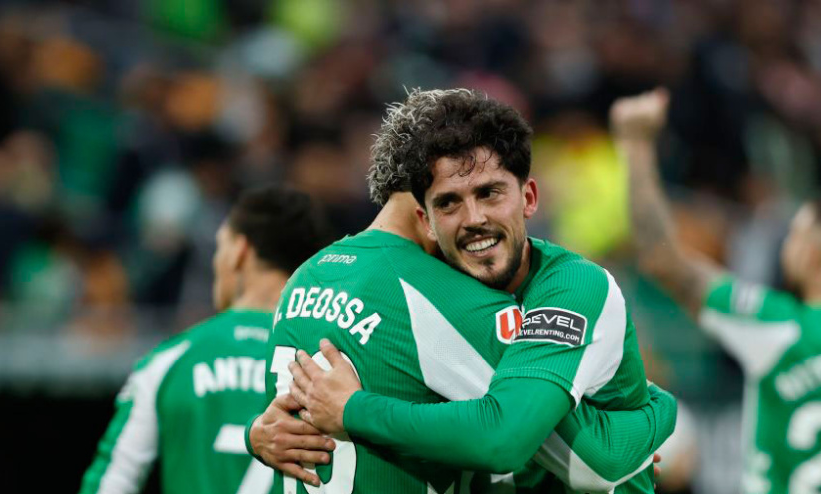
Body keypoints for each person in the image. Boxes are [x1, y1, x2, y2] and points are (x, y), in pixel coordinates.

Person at [258, 88, 672, 494]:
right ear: (426, 219)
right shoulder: (438, 302)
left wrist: (659, 409)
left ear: (529, 198)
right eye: (449, 203)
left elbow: (571, 460)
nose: (474, 218)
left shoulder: (573, 286)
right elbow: (562, 453)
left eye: (489, 193)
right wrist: (260, 432)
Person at [610, 89, 821, 494]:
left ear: (811, 256)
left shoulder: (776, 326)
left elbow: (663, 259)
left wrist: (636, 145)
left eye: (795, 235)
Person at [79, 187, 334, 494]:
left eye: (219, 247)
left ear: (240, 250)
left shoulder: (169, 362)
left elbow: (111, 483)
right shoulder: (332, 368)